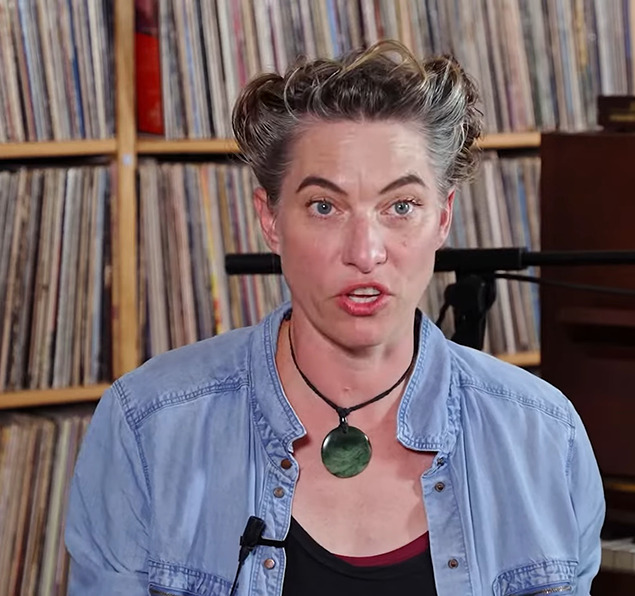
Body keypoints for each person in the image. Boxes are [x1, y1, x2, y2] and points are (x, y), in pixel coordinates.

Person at [65, 40, 605, 595]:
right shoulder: (149, 423)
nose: (365, 252)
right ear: (270, 220)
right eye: (325, 206)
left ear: (442, 220)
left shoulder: (544, 435)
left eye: (401, 207)